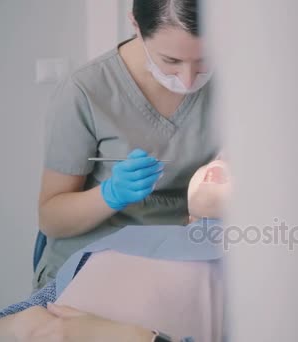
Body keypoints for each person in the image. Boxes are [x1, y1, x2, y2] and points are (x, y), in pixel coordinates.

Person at [35, 0, 220, 290]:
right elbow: (51, 219)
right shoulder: (85, 91)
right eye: (171, 61)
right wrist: (110, 195)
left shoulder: (232, 83)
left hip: (183, 255)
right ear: (135, 25)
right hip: (97, 257)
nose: (187, 80)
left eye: (203, 59)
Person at [0, 159, 230, 342]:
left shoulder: (251, 264)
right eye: (222, 155)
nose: (225, 160)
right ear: (188, 218)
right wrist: (23, 326)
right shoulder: (111, 243)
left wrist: (136, 338)